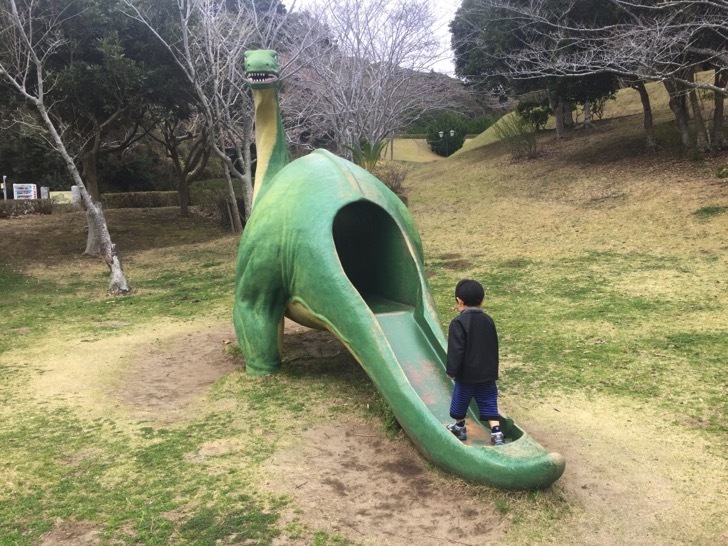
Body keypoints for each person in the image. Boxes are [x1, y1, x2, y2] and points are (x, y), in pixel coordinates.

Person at [445, 278, 504, 446]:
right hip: (487, 374)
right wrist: (492, 370)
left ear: (459, 300)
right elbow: (492, 346)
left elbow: (457, 350)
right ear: (482, 300)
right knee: (488, 401)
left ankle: (460, 428)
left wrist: (452, 371)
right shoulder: (488, 320)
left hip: (466, 375)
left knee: (460, 401)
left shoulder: (458, 323)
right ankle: (497, 433)